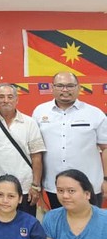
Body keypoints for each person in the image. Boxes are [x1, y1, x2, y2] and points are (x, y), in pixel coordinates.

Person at [33, 71, 107, 208]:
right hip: (55, 187)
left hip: (88, 185)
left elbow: (105, 148)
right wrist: (36, 183)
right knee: (60, 221)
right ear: (52, 87)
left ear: (79, 87)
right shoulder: (40, 112)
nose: (65, 90)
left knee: (91, 221)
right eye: (60, 86)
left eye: (70, 86)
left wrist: (106, 179)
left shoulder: (95, 114)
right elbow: (35, 151)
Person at [0, 83, 46, 216]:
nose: (5, 100)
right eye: (1, 97)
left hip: (25, 186)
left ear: (16, 100)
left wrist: (36, 185)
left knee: (25, 224)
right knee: (0, 222)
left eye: (10, 97)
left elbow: (36, 156)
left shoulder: (29, 123)